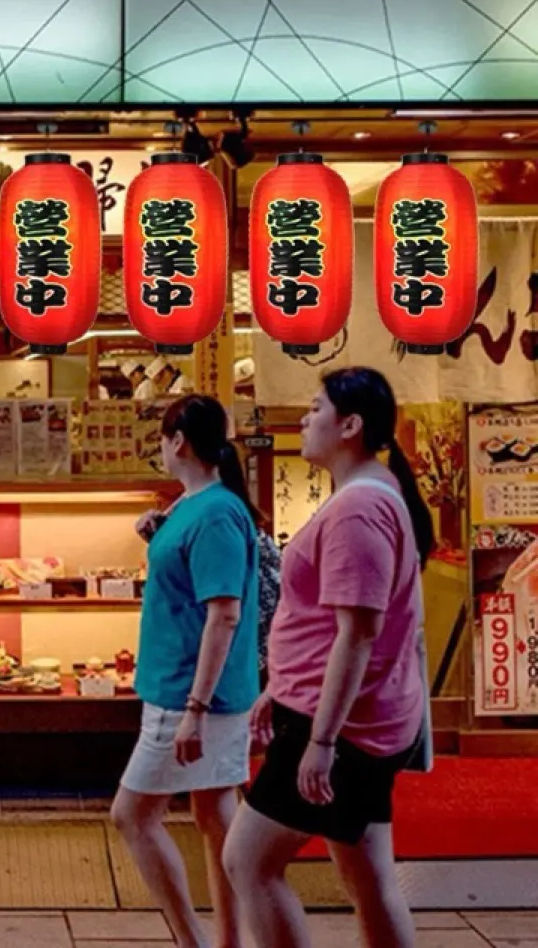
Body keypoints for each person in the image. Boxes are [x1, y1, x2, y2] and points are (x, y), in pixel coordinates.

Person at [222, 367, 429, 948]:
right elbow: (332, 627)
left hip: (343, 724)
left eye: (316, 408)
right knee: (366, 874)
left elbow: (357, 634)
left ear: (351, 425)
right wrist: (280, 686)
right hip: (357, 715)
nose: (305, 420)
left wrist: (320, 740)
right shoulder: (373, 496)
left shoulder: (358, 510)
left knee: (248, 862)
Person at [111, 394, 261, 948]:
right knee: (217, 820)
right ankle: (227, 941)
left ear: (178, 442)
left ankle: (190, 938)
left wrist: (194, 710)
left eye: (162, 437)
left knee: (132, 816)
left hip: (191, 695)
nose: (159, 446)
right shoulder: (197, 505)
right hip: (200, 690)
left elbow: (223, 614)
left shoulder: (216, 511)